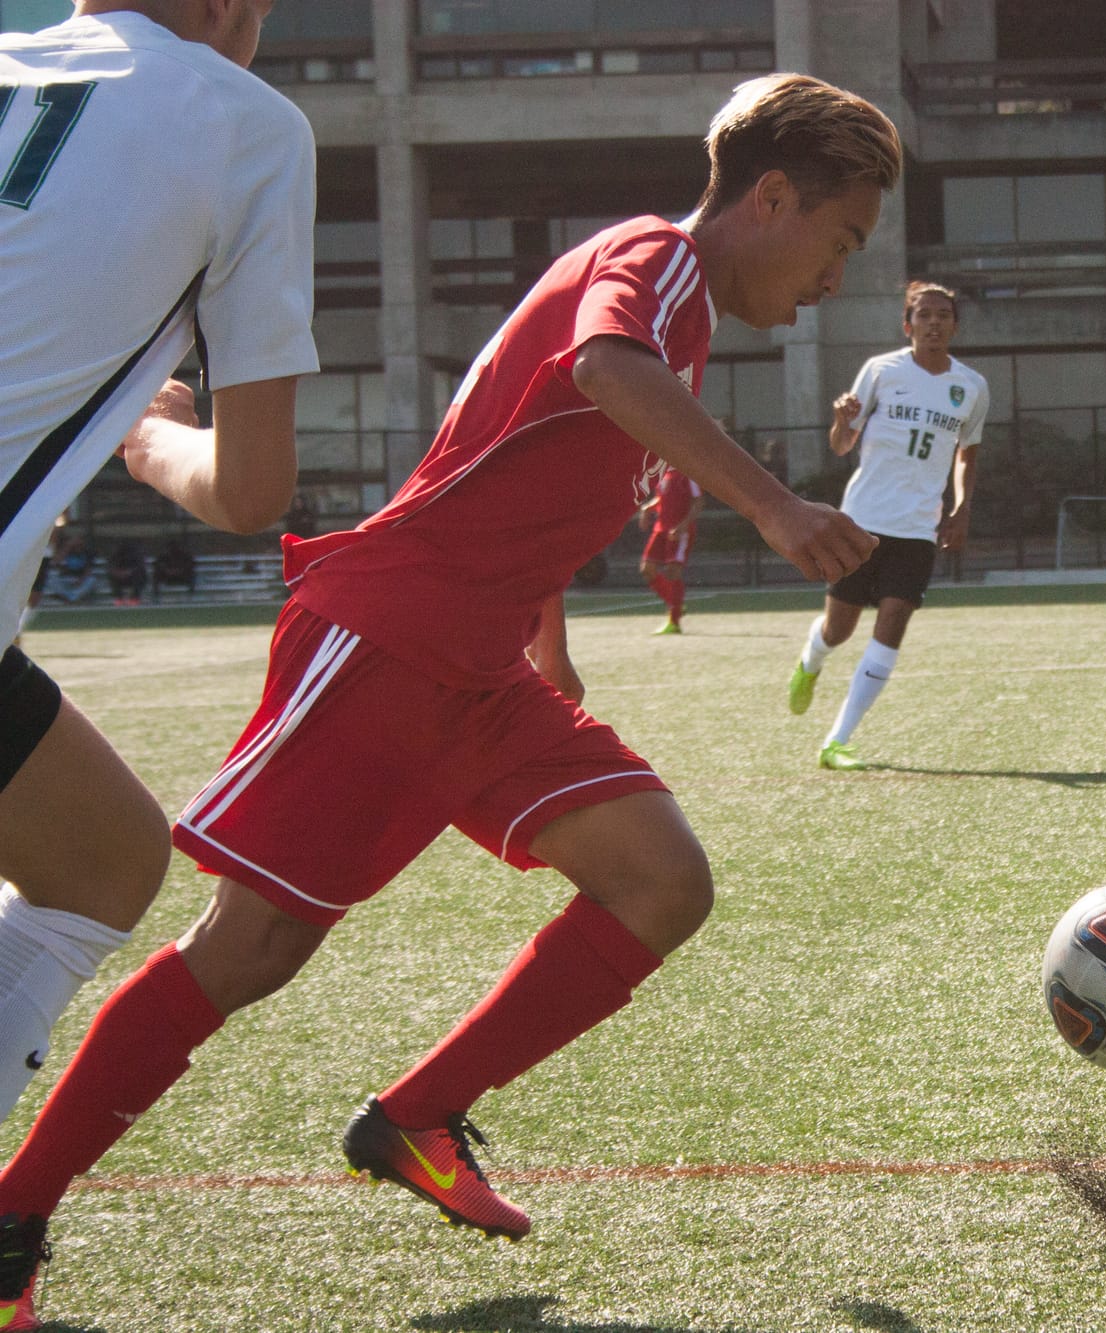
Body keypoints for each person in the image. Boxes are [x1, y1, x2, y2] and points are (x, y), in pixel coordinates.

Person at [0, 71, 897, 1327]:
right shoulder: (656, 261)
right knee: (251, 949)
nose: (834, 277)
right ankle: (13, 1215)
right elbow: (599, 368)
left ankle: (414, 1116)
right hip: (384, 638)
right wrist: (778, 504)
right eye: (839, 241)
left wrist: (550, 642)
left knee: (661, 880)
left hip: (477, 669)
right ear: (773, 195)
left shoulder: (681, 314)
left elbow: (529, 461)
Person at [0, 0, 314, 1178]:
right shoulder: (247, 126)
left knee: (102, 854)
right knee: (97, 871)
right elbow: (250, 490)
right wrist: (144, 437)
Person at [785, 281, 989, 770]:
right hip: (862, 522)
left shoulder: (972, 387)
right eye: (924, 315)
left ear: (954, 326)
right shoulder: (881, 370)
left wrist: (961, 508)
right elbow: (841, 444)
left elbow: (968, 456)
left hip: (919, 527)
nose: (934, 322)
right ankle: (810, 661)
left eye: (943, 315)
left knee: (893, 622)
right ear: (908, 324)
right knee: (839, 629)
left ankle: (838, 741)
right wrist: (840, 421)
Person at [638, 465, 704, 634]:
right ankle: (676, 604)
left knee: (672, 571)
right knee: (647, 569)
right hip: (660, 529)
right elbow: (663, 498)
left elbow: (698, 502)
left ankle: (674, 622)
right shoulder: (663, 472)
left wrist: (683, 526)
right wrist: (647, 508)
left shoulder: (688, 471)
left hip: (679, 531)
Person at [105, 542, 148, 606]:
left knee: (139, 576)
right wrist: (118, 572)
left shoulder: (135, 556)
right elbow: (111, 567)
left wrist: (129, 572)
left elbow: (140, 567)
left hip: (133, 577)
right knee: (112, 576)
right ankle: (119, 599)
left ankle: (134, 598)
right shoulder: (115, 556)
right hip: (120, 578)